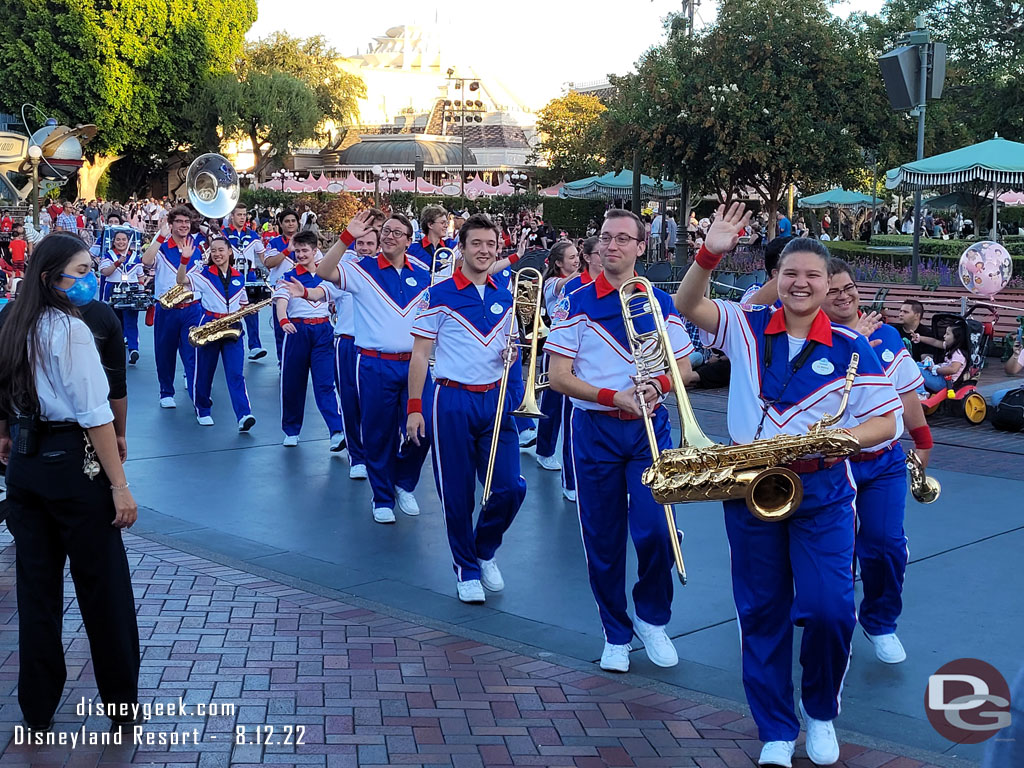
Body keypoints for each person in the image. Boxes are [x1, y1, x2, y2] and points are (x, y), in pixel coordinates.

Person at [674, 214, 900, 767]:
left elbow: (886, 422)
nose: (801, 283)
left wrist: (836, 437)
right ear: (776, 277)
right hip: (751, 487)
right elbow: (687, 306)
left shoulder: (851, 345)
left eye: (813, 276)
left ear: (829, 284)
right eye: (790, 273)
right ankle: (776, 726)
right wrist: (710, 254)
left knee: (829, 610)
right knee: (762, 612)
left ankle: (820, 712)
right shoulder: (747, 324)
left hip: (822, 487)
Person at [0, 233, 139, 732]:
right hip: (70, 465)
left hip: (26, 462)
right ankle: (121, 702)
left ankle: (37, 708)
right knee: (104, 589)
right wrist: (119, 484)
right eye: (79, 271)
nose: (88, 279)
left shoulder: (14, 321)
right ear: (49, 277)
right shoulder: (71, 329)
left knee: (36, 593)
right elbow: (94, 412)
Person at [547, 209, 695, 675]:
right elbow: (557, 378)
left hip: (650, 426)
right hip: (595, 430)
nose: (613, 246)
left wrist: (658, 389)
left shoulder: (659, 301)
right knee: (603, 539)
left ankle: (651, 618)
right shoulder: (577, 301)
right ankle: (615, 632)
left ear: (641, 247)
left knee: (656, 530)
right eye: (606, 237)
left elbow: (685, 369)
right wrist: (613, 395)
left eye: (623, 239)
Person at [406, 214, 527, 603]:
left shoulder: (504, 295)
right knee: (456, 494)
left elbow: (513, 349)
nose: (484, 250)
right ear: (462, 247)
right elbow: (420, 355)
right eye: (476, 243)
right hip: (452, 399)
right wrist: (414, 408)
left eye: (491, 244)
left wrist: (511, 355)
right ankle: (466, 568)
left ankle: (483, 548)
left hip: (496, 400)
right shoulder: (437, 294)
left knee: (510, 487)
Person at [820, 259, 934, 665]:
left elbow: (906, 395)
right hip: (834, 462)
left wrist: (923, 441)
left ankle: (881, 622)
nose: (844, 295)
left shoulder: (886, 334)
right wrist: (852, 342)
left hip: (883, 461)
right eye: (833, 290)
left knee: (885, 546)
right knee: (834, 551)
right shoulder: (815, 337)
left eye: (848, 286)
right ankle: (828, 618)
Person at [316, 211, 432, 524]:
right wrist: (346, 236)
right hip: (375, 363)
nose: (390, 236)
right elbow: (323, 270)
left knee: (427, 425)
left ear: (409, 241)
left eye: (398, 232)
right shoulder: (361, 269)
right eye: (386, 231)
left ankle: (403, 482)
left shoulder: (423, 273)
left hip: (415, 365)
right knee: (379, 434)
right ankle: (381, 496)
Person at [175, 236, 256, 431]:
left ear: (230, 252)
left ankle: (244, 415)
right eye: (214, 250)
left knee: (236, 373)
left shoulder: (239, 276)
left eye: (221, 250)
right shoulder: (204, 273)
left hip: (233, 326)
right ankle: (203, 410)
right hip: (209, 324)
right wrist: (184, 260)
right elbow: (181, 280)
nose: (217, 254)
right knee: (204, 372)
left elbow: (242, 303)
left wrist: (248, 309)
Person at [273, 231, 344, 450]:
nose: (301, 254)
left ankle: (336, 430)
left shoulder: (328, 275)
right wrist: (284, 320)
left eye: (305, 250)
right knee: (293, 383)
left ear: (315, 251)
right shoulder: (288, 276)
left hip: (322, 331)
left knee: (325, 384)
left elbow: (332, 298)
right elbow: (281, 302)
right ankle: (292, 430)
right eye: (298, 251)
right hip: (297, 331)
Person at [141, 206, 205, 408]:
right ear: (171, 223)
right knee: (165, 352)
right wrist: (160, 237)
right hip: (167, 307)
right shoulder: (162, 244)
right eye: (179, 221)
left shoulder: (197, 244)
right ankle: (166, 392)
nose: (184, 225)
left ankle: (195, 387)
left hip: (193, 306)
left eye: (186, 222)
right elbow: (145, 261)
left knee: (193, 350)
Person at [535, 242, 580, 477]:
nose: (576, 260)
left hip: (575, 351)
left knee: (569, 407)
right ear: (558, 263)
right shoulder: (553, 283)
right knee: (552, 406)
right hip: (555, 349)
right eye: (571, 257)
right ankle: (544, 450)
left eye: (577, 256)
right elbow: (565, 283)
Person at [222, 203, 268, 361]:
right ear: (232, 216)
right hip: (230, 276)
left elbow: (264, 258)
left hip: (250, 276)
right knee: (226, 310)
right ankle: (223, 340)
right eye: (239, 215)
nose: (242, 218)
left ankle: (255, 346)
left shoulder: (253, 235)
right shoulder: (224, 234)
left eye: (244, 214)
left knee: (252, 310)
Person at [99, 230, 145, 365]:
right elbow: (105, 272)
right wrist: (117, 263)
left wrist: (141, 287)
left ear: (128, 241)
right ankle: (115, 349)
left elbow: (140, 275)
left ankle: (133, 349)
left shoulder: (135, 257)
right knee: (115, 321)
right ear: (113, 241)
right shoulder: (108, 256)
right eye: (118, 239)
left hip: (131, 290)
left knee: (131, 320)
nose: (121, 242)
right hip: (113, 289)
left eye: (124, 239)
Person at [263, 209, 301, 364]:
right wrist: (287, 251)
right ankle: (283, 362)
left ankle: (299, 363)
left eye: (293, 220)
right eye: (287, 221)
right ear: (280, 223)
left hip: (302, 293)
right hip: (281, 292)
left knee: (300, 329)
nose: (290, 224)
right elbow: (269, 263)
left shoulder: (307, 240)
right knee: (281, 330)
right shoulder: (274, 242)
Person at [916, 322, 971, 394]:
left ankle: (921, 393)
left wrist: (936, 369)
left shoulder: (958, 353)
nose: (944, 336)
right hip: (940, 377)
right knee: (917, 364)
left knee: (916, 370)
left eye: (947, 334)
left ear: (957, 337)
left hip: (945, 383)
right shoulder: (951, 347)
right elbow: (934, 342)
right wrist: (920, 338)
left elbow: (953, 369)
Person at [408, 204, 457, 270]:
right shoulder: (413, 249)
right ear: (430, 225)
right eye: (443, 223)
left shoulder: (452, 246)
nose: (446, 226)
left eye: (446, 223)